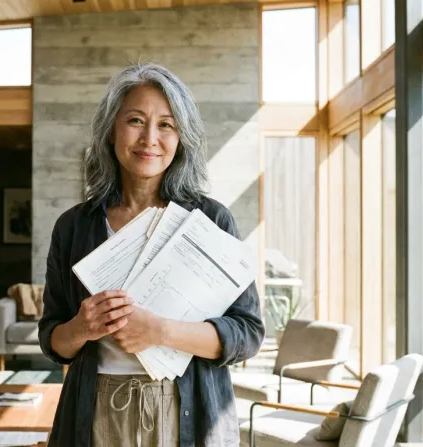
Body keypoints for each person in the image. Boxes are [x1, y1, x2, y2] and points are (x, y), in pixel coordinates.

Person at [38, 63, 265, 447]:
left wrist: (158, 331)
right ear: (112, 131)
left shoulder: (210, 219)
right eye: (136, 120)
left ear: (182, 138)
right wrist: (81, 328)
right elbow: (52, 339)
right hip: (96, 409)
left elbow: (248, 333)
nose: (149, 138)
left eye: (166, 125)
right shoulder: (74, 226)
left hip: (187, 409)